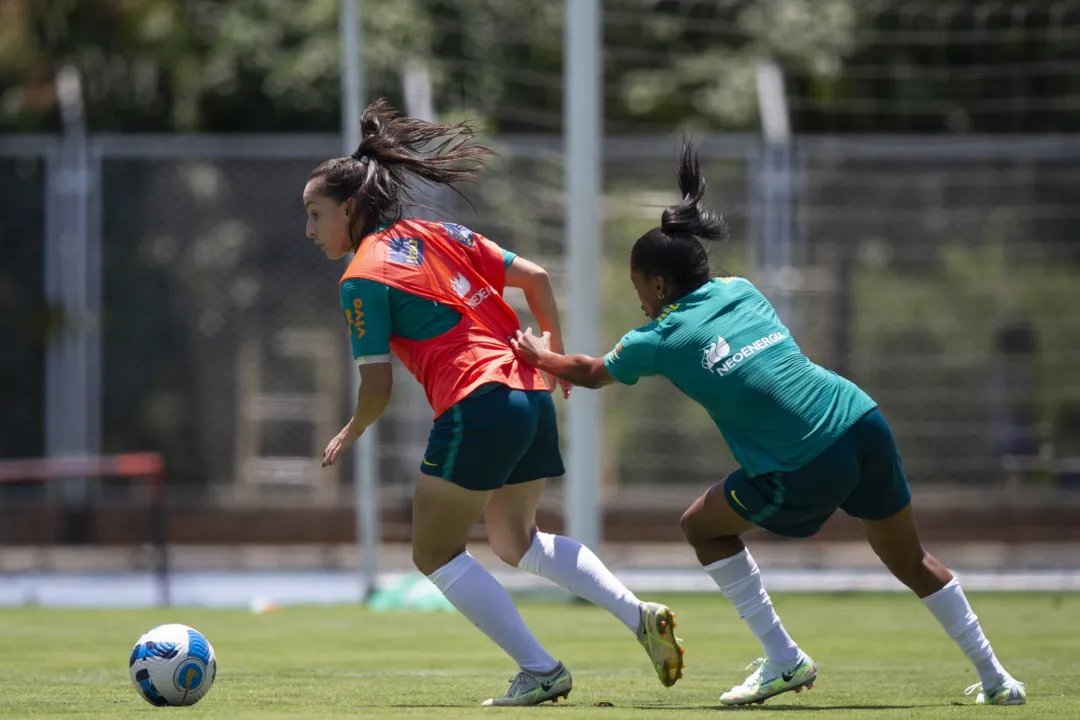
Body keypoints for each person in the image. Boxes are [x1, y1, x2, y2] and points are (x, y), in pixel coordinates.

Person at [511, 141, 1026, 707]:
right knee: (911, 559)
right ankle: (999, 679)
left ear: (657, 284)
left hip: (808, 458)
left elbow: (587, 372)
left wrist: (537, 354)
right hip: (860, 419)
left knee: (701, 526)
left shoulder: (659, 337)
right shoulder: (742, 290)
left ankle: (784, 659)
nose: (638, 301)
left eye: (638, 288)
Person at [303, 99, 685, 707]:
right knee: (515, 542)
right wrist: (554, 359)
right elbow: (536, 278)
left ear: (350, 209)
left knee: (433, 552)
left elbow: (377, 389)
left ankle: (540, 669)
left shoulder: (361, 278)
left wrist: (351, 429)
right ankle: (637, 613)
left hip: (477, 400)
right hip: (529, 393)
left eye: (315, 214)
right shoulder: (436, 233)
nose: (310, 230)